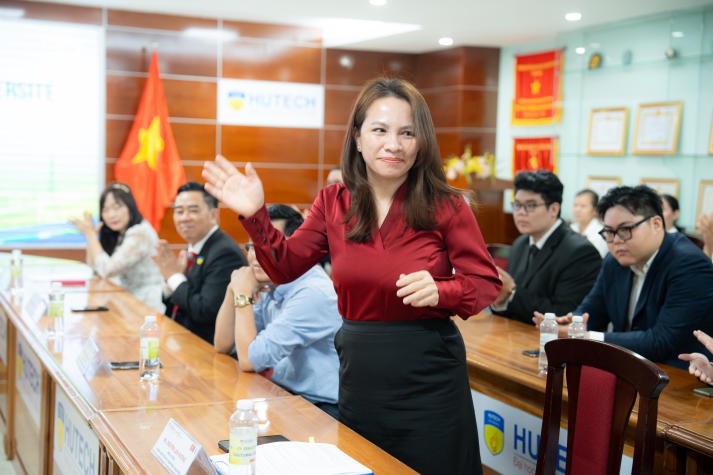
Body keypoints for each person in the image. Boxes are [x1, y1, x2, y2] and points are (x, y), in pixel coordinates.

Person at [203, 77, 502, 475]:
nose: (393, 144)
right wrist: (255, 215)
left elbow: (485, 283)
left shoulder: (447, 205)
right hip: (360, 373)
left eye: (407, 132)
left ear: (421, 142)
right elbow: (284, 266)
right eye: (380, 130)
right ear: (358, 138)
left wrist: (442, 290)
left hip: (428, 374)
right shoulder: (333, 201)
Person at [535, 185, 713, 368]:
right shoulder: (615, 261)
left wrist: (584, 336)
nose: (617, 240)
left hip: (680, 378)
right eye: (609, 232)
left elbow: (661, 341)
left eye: (625, 229)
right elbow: (593, 310)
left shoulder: (689, 264)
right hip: (629, 371)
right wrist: (572, 323)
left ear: (656, 224)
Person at [214, 204, 341, 418]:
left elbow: (248, 360)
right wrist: (233, 288)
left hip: (320, 410)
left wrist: (242, 296)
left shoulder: (312, 293)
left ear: (296, 249)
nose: (256, 257)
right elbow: (223, 344)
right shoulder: (273, 281)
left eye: (267, 246)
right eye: (252, 247)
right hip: (285, 396)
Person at [491, 170, 601, 324]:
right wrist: (501, 299)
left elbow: (564, 315)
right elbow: (508, 307)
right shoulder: (520, 244)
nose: (521, 213)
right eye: (517, 205)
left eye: (530, 206)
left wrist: (512, 294)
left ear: (554, 209)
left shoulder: (579, 252)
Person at [153, 182, 247, 344]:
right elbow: (179, 302)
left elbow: (205, 311)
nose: (184, 218)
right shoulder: (194, 247)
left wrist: (174, 277)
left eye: (193, 210)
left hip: (208, 347)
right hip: (182, 340)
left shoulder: (224, 253)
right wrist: (170, 284)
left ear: (213, 215)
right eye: (179, 211)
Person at [69, 182, 164, 312]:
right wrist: (91, 238)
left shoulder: (140, 233)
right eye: (106, 210)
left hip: (147, 308)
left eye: (117, 207)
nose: (111, 215)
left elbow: (107, 270)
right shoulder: (120, 234)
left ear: (130, 207)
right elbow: (95, 269)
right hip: (128, 304)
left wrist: (90, 235)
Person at [570, 188, 608, 257]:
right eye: (575, 205)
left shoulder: (600, 234)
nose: (577, 210)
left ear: (595, 210)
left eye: (583, 206)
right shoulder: (571, 228)